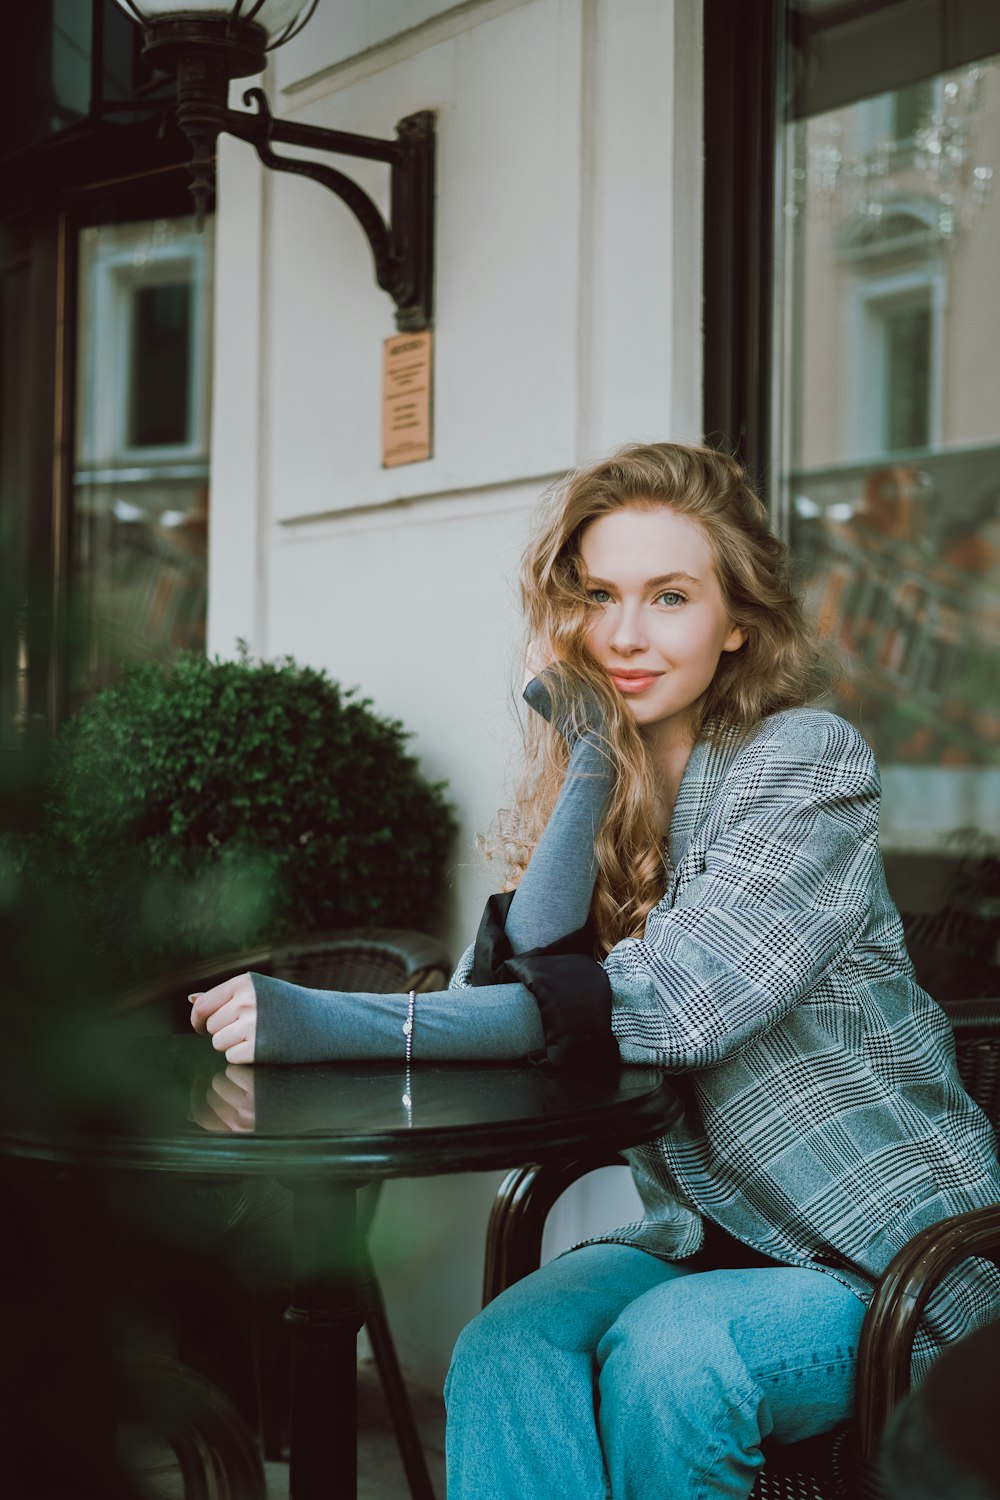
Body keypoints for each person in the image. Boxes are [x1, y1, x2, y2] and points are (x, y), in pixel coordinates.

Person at [189, 442, 1000, 1499]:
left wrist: (325, 1020)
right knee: (503, 1356)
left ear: (736, 620)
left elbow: (673, 1005)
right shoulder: (619, 793)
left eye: (669, 597)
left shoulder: (805, 763)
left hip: (883, 1256)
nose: (623, 634)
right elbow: (520, 978)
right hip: (701, 1236)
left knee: (672, 1358)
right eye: (597, 596)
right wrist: (585, 756)